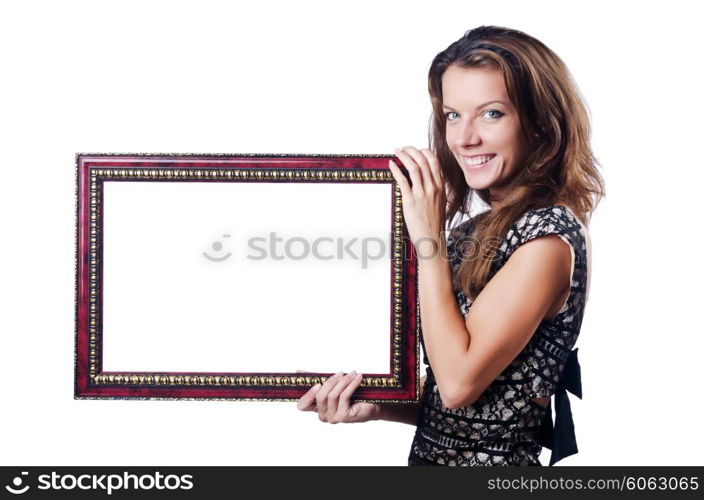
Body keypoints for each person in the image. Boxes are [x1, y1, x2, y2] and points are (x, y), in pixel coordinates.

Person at [296, 25, 605, 466]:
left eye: (491, 113)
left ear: (540, 123)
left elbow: (460, 384)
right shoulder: (470, 234)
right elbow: (461, 405)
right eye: (453, 115)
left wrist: (427, 240)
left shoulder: (548, 238)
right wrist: (379, 406)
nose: (463, 138)